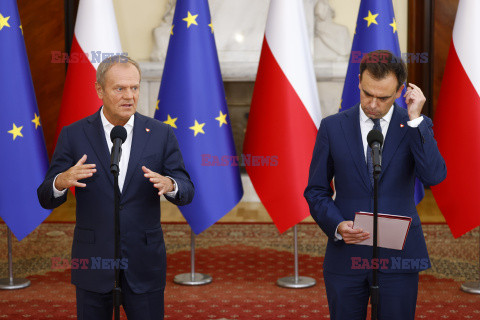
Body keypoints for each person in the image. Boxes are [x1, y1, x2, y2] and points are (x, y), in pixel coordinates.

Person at [38, 55, 194, 320]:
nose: (129, 96)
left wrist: (170, 184)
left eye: (134, 88)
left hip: (143, 262)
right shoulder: (74, 134)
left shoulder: (160, 133)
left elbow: (187, 190)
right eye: (119, 88)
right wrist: (60, 181)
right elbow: (45, 197)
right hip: (93, 261)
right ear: (99, 90)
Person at [304, 50, 446, 320]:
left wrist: (416, 119)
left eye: (383, 97)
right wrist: (336, 225)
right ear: (358, 81)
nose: (372, 103)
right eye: (367, 93)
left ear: (401, 90)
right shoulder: (332, 127)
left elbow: (434, 176)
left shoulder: (415, 126)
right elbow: (316, 191)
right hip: (347, 253)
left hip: (399, 256)